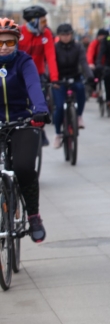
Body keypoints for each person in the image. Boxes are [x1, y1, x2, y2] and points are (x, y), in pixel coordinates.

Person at [0, 18, 51, 243]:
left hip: (23, 122)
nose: (4, 47)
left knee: (23, 167)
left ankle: (33, 215)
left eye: (9, 43)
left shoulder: (24, 62)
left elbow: (33, 86)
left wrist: (40, 110)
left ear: (17, 43)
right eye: (0, 43)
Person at [19, 5, 58, 146]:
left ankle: (40, 130)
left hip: (38, 74)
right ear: (33, 21)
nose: (45, 24)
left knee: (40, 100)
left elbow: (51, 57)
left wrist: (54, 78)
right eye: (42, 21)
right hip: (19, 75)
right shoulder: (19, 32)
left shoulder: (46, 34)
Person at [52, 24, 92, 149]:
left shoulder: (78, 46)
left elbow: (83, 62)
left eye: (68, 34)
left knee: (81, 89)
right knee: (58, 107)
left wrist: (90, 76)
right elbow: (50, 64)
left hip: (74, 77)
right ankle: (58, 134)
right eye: (63, 35)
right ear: (59, 36)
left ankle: (79, 116)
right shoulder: (54, 48)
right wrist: (51, 79)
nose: (65, 37)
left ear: (72, 34)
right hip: (59, 80)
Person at [86, 28, 108, 97]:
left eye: (104, 35)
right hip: (96, 64)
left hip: (106, 64)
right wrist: (90, 63)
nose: (102, 37)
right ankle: (94, 89)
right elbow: (90, 54)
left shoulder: (108, 43)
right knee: (94, 77)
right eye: (101, 35)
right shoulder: (94, 43)